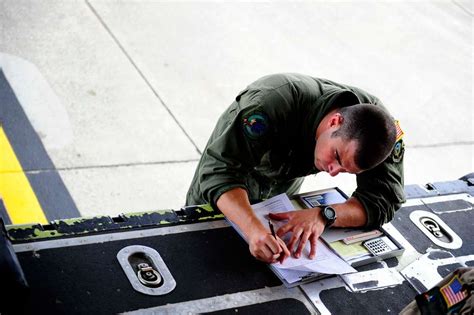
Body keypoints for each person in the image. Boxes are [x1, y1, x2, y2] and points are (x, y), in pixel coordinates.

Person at [186, 73, 405, 264]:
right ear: (334, 121)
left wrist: (325, 215)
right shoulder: (268, 104)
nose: (332, 171)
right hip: (223, 193)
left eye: (346, 171)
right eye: (336, 156)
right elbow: (218, 172)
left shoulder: (381, 133)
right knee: (195, 253)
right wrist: (253, 229)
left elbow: (384, 200)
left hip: (278, 195)